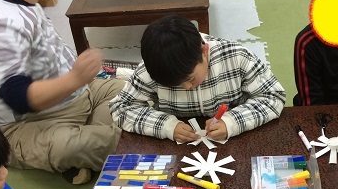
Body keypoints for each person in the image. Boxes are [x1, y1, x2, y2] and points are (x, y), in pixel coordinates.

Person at [0, 0, 124, 185]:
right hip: (25, 123)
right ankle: (85, 146)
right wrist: (75, 78)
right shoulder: (0, 27)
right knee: (86, 144)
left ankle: (86, 149)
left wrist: (77, 81)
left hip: (74, 96)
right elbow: (18, 97)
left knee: (130, 92)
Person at [109, 15, 286, 143]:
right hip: (177, 144)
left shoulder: (236, 56)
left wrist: (233, 122)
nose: (187, 87)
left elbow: (273, 96)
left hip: (235, 140)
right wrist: (165, 126)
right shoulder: (152, 69)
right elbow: (121, 107)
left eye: (190, 78)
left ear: (204, 51)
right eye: (175, 85)